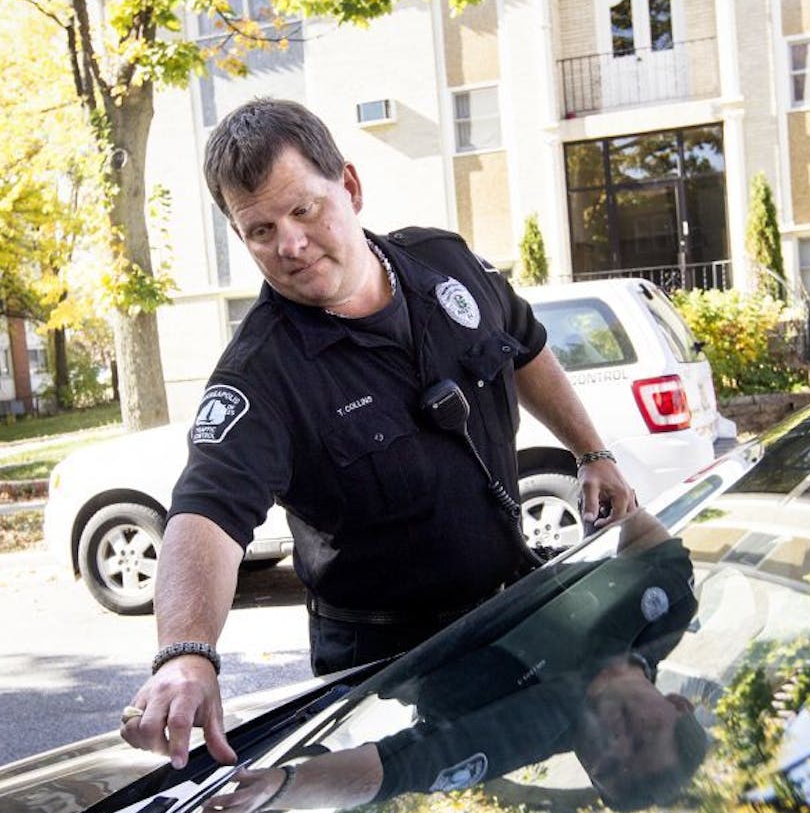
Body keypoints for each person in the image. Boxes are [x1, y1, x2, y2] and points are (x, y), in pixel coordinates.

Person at [121, 98, 637, 768]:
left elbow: (525, 345)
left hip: (510, 618)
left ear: (352, 187)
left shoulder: (443, 264)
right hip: (385, 681)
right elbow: (207, 512)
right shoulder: (261, 374)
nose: (291, 245)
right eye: (261, 230)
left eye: (304, 210)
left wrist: (590, 452)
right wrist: (185, 656)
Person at [190, 508, 710, 813]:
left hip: (361, 545)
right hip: (458, 485)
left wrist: (279, 787)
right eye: (643, 741)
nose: (616, 746)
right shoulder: (670, 607)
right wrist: (597, 472)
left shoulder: (528, 730)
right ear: (678, 705)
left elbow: (396, 771)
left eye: (610, 769)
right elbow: (634, 520)